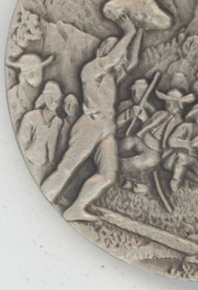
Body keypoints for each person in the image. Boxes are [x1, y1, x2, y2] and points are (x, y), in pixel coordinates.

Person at [41, 14, 142, 222]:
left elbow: (132, 62)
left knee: (108, 175)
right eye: (114, 49)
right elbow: (112, 59)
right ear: (103, 51)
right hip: (90, 126)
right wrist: (129, 33)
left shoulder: (112, 76)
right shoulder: (90, 70)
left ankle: (76, 208)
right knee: (67, 168)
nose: (119, 55)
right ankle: (40, 201)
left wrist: (140, 29)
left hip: (106, 129)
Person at [118, 88, 195, 193]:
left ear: (180, 106)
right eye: (168, 103)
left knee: (135, 163)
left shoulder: (179, 124)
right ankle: (107, 153)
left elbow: (171, 143)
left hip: (156, 152)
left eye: (173, 104)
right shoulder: (159, 113)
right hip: (142, 139)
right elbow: (149, 124)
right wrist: (143, 117)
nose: (170, 106)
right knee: (127, 142)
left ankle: (114, 165)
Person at [18, 81, 63, 184]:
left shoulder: (59, 123)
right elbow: (21, 143)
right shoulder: (30, 117)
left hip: (47, 168)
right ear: (44, 98)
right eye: (50, 96)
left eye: (56, 97)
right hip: (29, 163)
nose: (53, 100)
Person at [7, 53, 54, 130]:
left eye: (38, 70)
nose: (37, 75)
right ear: (24, 74)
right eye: (31, 72)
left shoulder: (45, 90)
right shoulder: (13, 95)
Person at [56, 94, 80, 166]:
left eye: (73, 105)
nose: (70, 107)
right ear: (64, 106)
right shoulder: (61, 125)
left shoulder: (82, 124)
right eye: (67, 104)